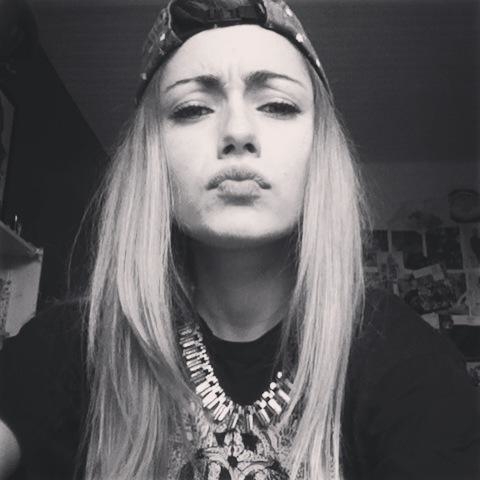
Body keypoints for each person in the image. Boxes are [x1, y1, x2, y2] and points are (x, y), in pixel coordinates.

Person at [1, 0, 479, 479]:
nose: (237, 131)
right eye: (192, 108)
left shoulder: (403, 355)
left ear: (320, 150)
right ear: (152, 156)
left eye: (277, 105)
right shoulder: (73, 345)